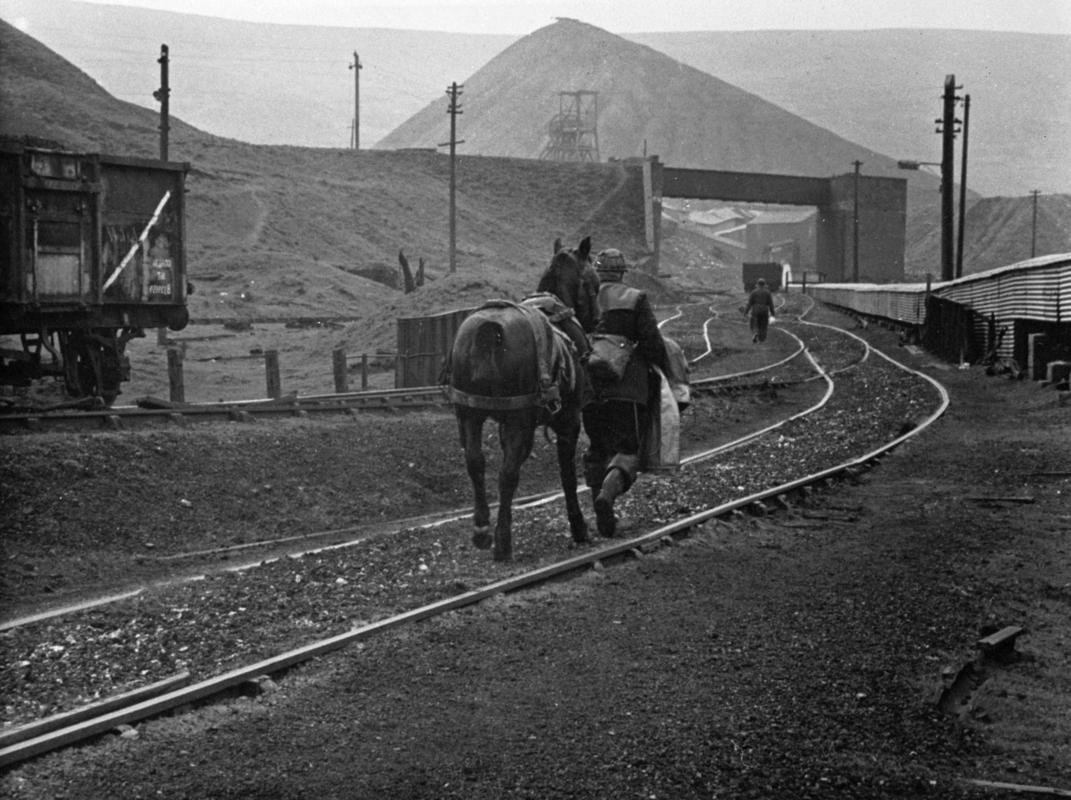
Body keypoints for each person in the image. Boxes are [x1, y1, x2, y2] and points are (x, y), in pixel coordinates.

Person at [582, 248, 669, 537]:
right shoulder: (635, 298)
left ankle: (601, 516)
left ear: (597, 272)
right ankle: (607, 496)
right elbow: (653, 343)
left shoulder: (585, 298)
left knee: (597, 448)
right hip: (628, 390)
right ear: (622, 272)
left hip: (591, 388)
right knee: (627, 449)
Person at [746, 277, 775, 343]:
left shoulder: (753, 292)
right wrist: (773, 314)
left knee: (754, 323)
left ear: (757, 284)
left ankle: (755, 333)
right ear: (764, 285)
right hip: (764, 310)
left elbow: (749, 303)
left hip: (755, 310)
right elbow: (771, 304)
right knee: (763, 325)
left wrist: (746, 312)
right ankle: (761, 340)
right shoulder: (767, 293)